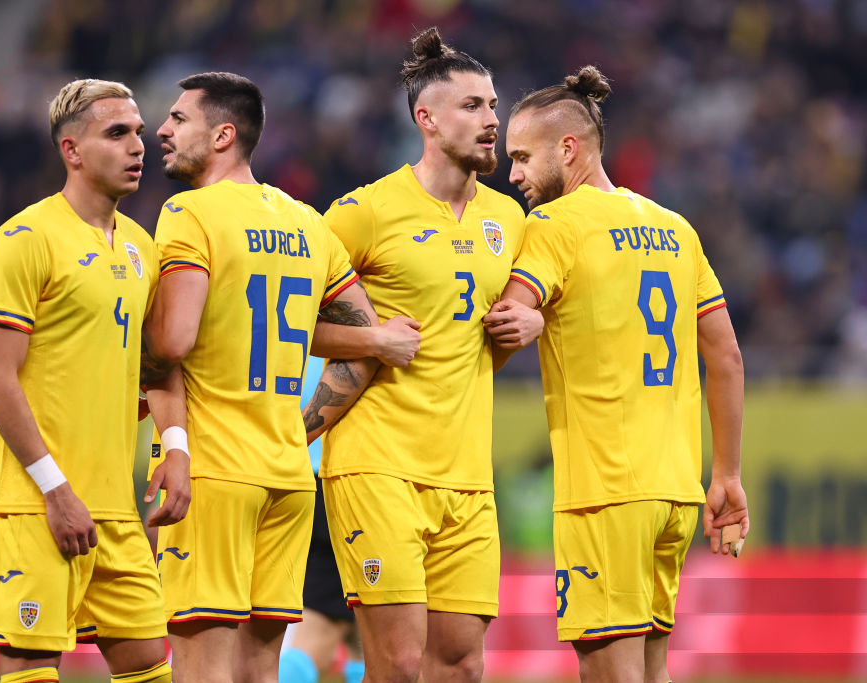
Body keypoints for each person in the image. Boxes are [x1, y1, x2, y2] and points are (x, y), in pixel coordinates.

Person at [141, 72, 416, 683]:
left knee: (201, 665)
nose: (162, 130)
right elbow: (364, 341)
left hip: (211, 470)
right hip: (288, 475)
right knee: (261, 670)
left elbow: (176, 340)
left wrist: (128, 342)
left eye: (179, 120)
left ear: (223, 135)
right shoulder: (307, 224)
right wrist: (302, 427)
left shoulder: (189, 213)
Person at [490, 65, 749, 683]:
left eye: (523, 157)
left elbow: (511, 316)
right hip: (676, 493)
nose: (515, 174)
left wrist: (518, 321)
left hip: (604, 492)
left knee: (608, 671)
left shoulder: (555, 226)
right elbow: (727, 359)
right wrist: (728, 476)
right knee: (652, 670)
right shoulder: (674, 228)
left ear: (569, 148)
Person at [301, 28, 543, 683]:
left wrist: (533, 319)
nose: (492, 120)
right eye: (473, 106)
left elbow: (527, 310)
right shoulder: (363, 213)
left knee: (461, 662)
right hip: (377, 466)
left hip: (465, 473)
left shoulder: (510, 221)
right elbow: (281, 322)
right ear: (426, 119)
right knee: (399, 663)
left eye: (494, 105)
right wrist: (370, 339)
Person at [0, 79, 184, 683]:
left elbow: (161, 366)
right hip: (35, 502)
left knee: (149, 667)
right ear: (72, 150)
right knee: (34, 670)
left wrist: (174, 448)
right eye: (117, 133)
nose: (137, 145)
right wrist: (54, 490)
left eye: (139, 133)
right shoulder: (26, 240)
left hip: (116, 506)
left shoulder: (143, 248)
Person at [278, 355, 365, 683]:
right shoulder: (355, 315)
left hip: (293, 469)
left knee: (363, 637)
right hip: (337, 476)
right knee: (323, 628)